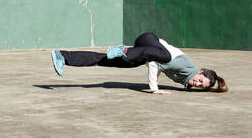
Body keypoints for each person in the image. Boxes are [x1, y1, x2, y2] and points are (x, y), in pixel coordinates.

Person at [51, 32, 228, 94]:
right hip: (148, 40)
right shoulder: (185, 67)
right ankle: (123, 50)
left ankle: (63, 56)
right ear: (200, 71)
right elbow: (154, 64)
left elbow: (157, 65)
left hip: (143, 51)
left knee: (104, 60)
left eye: (199, 86)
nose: (196, 84)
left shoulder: (185, 79)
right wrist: (154, 88)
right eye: (199, 80)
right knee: (163, 57)